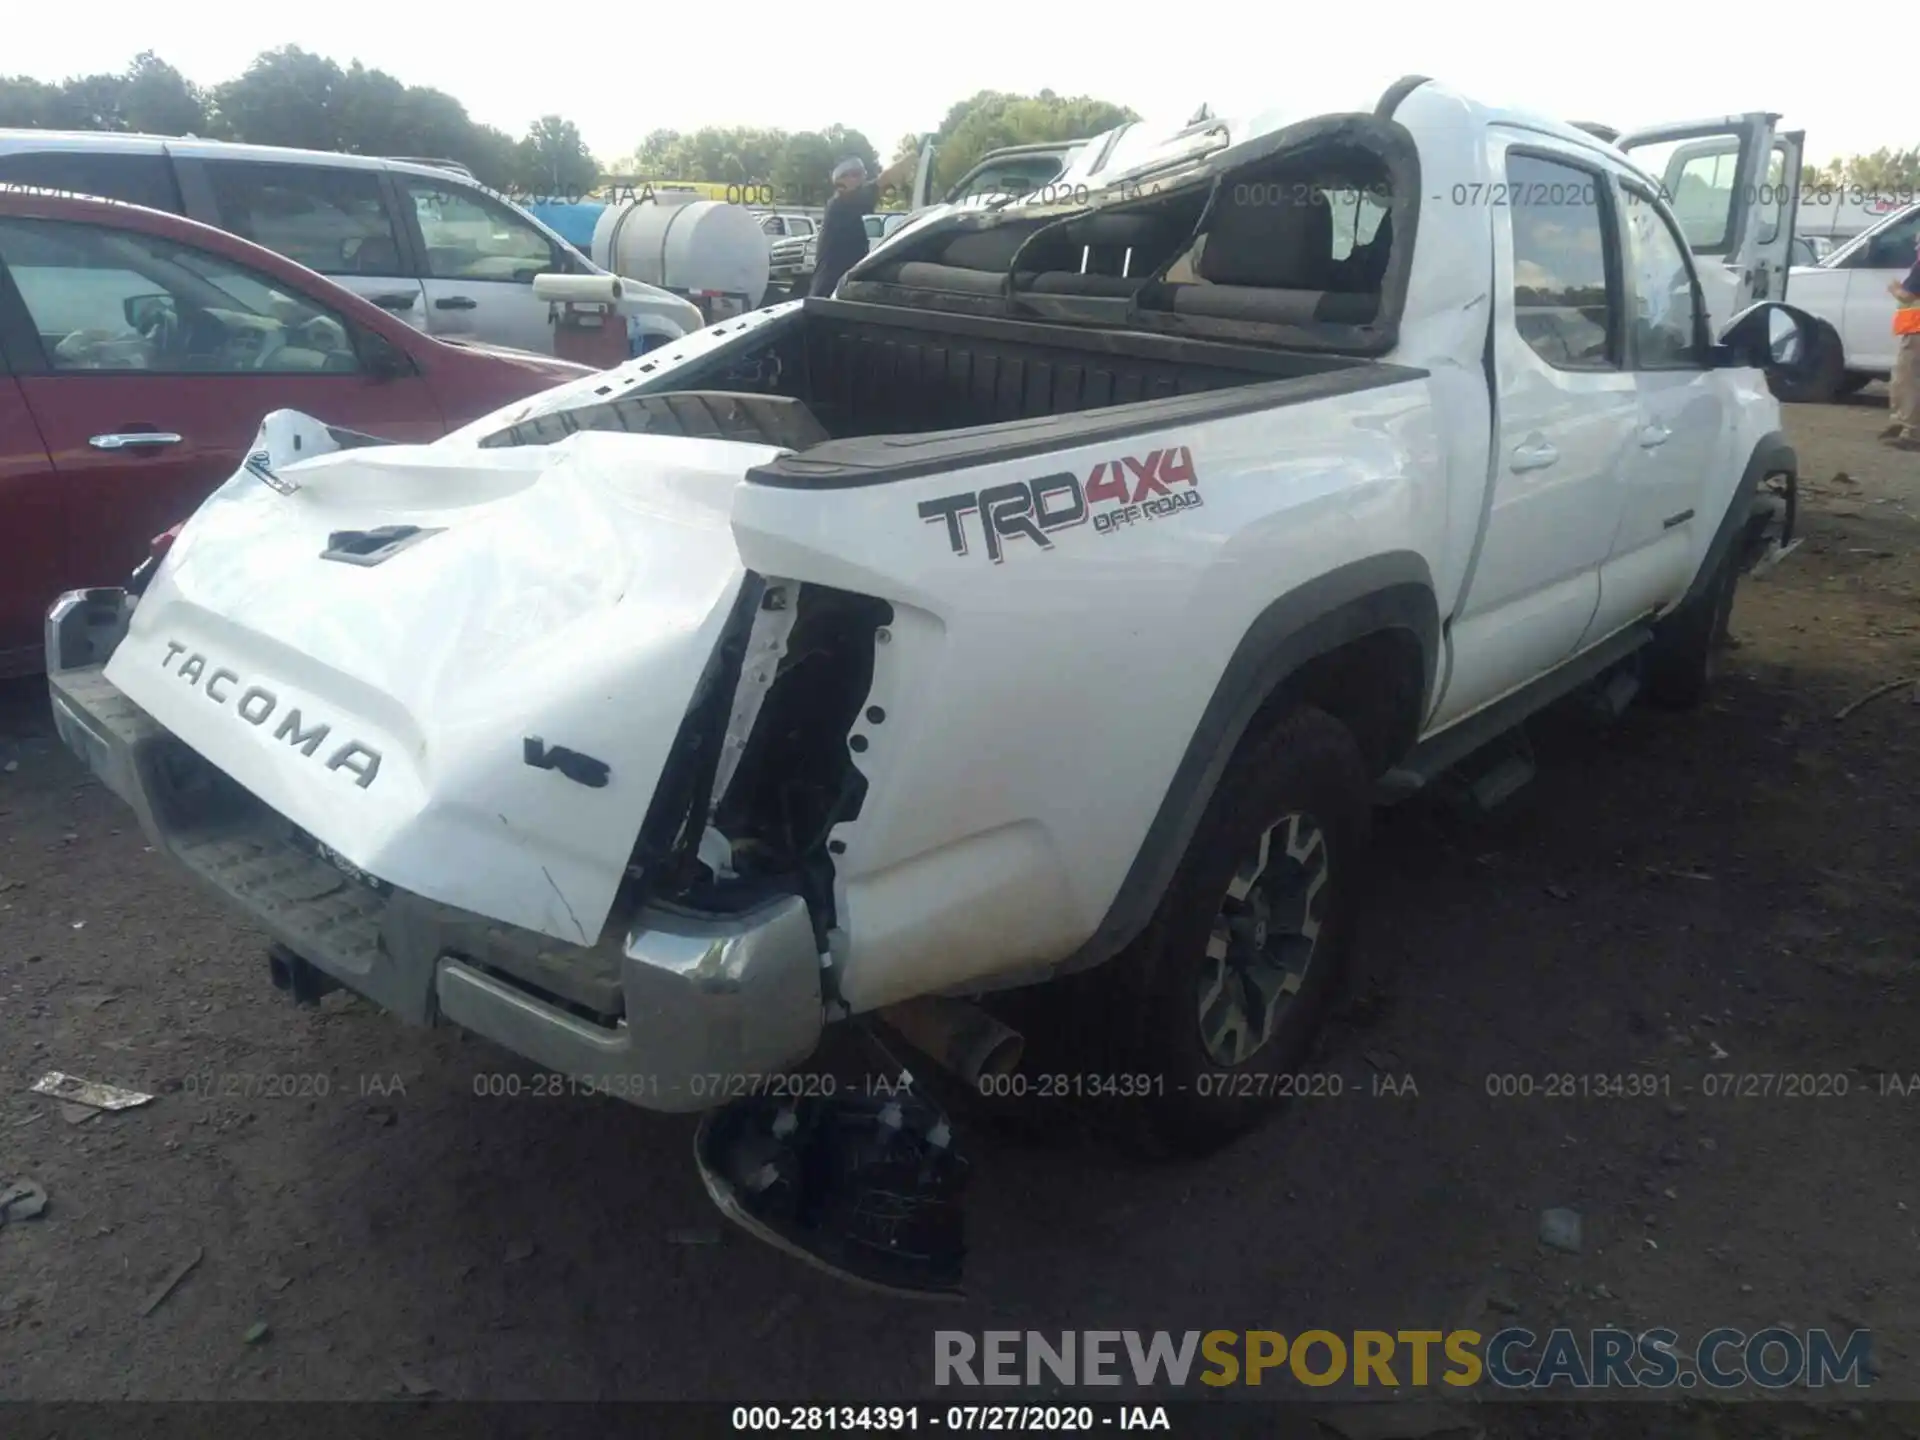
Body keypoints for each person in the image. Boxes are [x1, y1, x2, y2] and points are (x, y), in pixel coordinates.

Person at [808, 153, 917, 298]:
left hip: (839, 290)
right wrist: (914, 155)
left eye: (862, 173)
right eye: (856, 174)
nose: (862, 178)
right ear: (841, 180)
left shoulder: (850, 203)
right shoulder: (843, 202)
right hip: (829, 293)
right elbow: (885, 180)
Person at [1882, 230, 1920, 450]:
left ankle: (1911, 432)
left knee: (1908, 381)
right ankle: (1902, 423)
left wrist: (1895, 288)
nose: (1916, 248)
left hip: (1916, 333)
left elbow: (1908, 295)